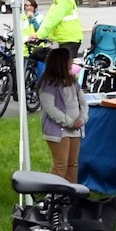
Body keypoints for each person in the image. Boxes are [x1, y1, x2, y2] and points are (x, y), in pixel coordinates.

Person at [38, 44, 85, 183]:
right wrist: (70, 123)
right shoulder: (48, 84)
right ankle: (52, 194)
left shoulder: (73, 81)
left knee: (72, 164)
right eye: (70, 59)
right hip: (59, 130)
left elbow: (83, 101)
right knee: (61, 165)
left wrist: (82, 119)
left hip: (75, 128)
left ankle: (71, 194)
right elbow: (50, 109)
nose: (72, 62)